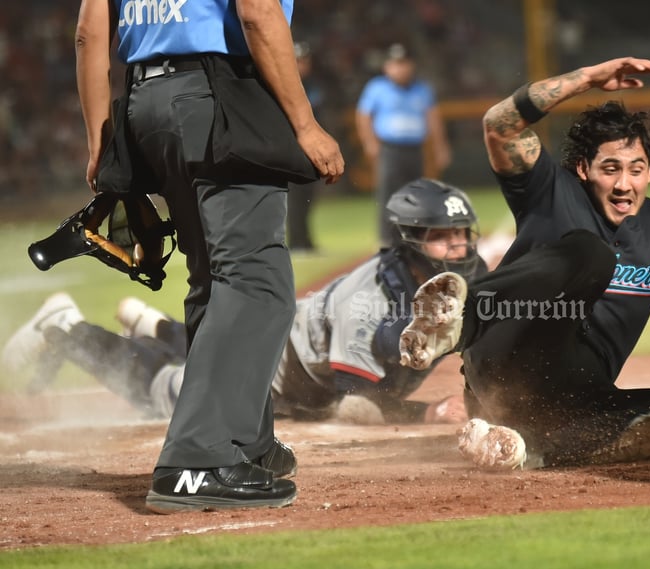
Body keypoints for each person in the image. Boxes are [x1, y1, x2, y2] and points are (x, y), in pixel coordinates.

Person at [398, 57, 650, 471]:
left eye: (636, 170)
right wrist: (586, 79)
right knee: (593, 255)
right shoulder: (552, 193)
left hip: (573, 393)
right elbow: (500, 124)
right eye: (611, 169)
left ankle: (523, 449)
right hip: (504, 363)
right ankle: (456, 321)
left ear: (649, 174)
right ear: (583, 169)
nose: (625, 184)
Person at [74, 0, 344, 513]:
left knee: (214, 280)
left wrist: (99, 140)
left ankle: (244, 440)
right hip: (216, 93)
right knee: (255, 281)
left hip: (144, 100)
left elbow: (89, 32)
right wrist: (306, 125)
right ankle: (195, 461)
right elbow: (258, 12)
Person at [3, 179, 486, 428]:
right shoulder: (366, 301)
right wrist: (424, 412)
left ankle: (157, 327)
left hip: (279, 338)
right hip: (260, 370)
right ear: (411, 241)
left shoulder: (465, 275)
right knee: (164, 393)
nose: (459, 248)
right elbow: (354, 406)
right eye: (443, 237)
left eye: (463, 235)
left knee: (197, 346)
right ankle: (64, 329)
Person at [356, 42, 452, 247]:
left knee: (415, 194)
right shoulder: (377, 88)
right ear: (387, 67)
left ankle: (414, 236)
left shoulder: (422, 89)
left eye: (404, 63)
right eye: (396, 63)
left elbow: (433, 119)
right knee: (388, 194)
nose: (401, 68)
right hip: (390, 149)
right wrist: (369, 143)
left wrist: (440, 147)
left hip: (414, 149)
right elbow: (363, 116)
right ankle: (386, 239)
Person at [286, 41, 325, 253]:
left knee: (308, 196)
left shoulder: (314, 86)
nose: (302, 65)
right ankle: (296, 241)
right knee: (294, 198)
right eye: (298, 60)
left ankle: (306, 240)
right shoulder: (283, 84)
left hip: (311, 150)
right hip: (290, 148)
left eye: (304, 61)